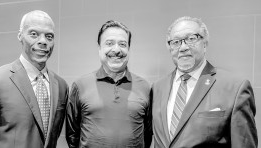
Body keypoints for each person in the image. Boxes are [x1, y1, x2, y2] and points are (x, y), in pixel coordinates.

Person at [0, 10, 68, 148]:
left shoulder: (61, 86)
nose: (43, 41)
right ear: (20, 36)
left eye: (49, 36)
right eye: (34, 34)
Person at [151, 16, 258, 148]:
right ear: (169, 47)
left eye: (191, 39)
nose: (183, 47)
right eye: (176, 42)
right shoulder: (157, 88)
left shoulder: (234, 88)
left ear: (205, 43)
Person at [66, 20, 153, 148]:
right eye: (109, 43)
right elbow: (72, 135)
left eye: (122, 44)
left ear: (129, 49)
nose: (116, 49)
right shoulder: (80, 85)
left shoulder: (144, 87)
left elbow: (147, 135)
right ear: (99, 48)